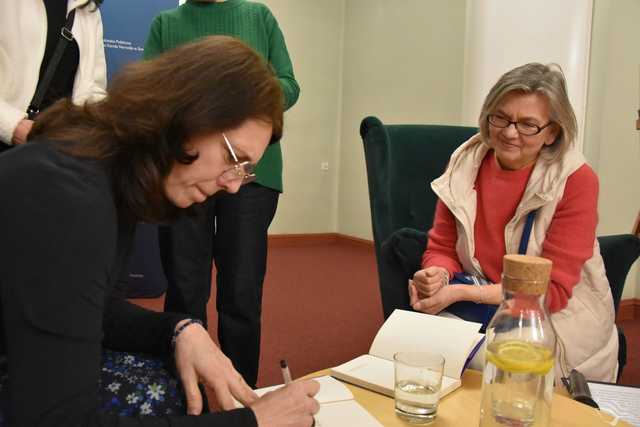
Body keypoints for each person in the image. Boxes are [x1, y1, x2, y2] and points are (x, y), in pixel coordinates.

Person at [0, 36, 319, 426]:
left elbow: (87, 309)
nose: (236, 185)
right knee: (173, 396)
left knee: (179, 382)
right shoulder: (71, 198)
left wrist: (179, 330)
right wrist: (252, 422)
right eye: (235, 158)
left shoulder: (102, 172)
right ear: (185, 115)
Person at [408, 63, 618, 382]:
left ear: (552, 133)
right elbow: (442, 247)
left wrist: (463, 294)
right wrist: (438, 274)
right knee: (413, 358)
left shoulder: (577, 180)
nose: (508, 132)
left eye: (527, 125)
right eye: (501, 117)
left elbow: (552, 291)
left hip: (557, 327)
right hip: (485, 314)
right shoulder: (465, 162)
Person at [143, 0, 300, 388]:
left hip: (250, 177)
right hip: (188, 168)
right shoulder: (166, 23)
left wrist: (230, 96)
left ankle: (240, 391)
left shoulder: (258, 16)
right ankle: (180, 389)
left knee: (242, 290)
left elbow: (288, 86)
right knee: (184, 285)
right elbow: (148, 94)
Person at [0, 0, 107, 151]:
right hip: (10, 145)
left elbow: (94, 89)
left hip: (53, 152)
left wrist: (86, 134)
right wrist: (13, 126)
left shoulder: (88, 10)